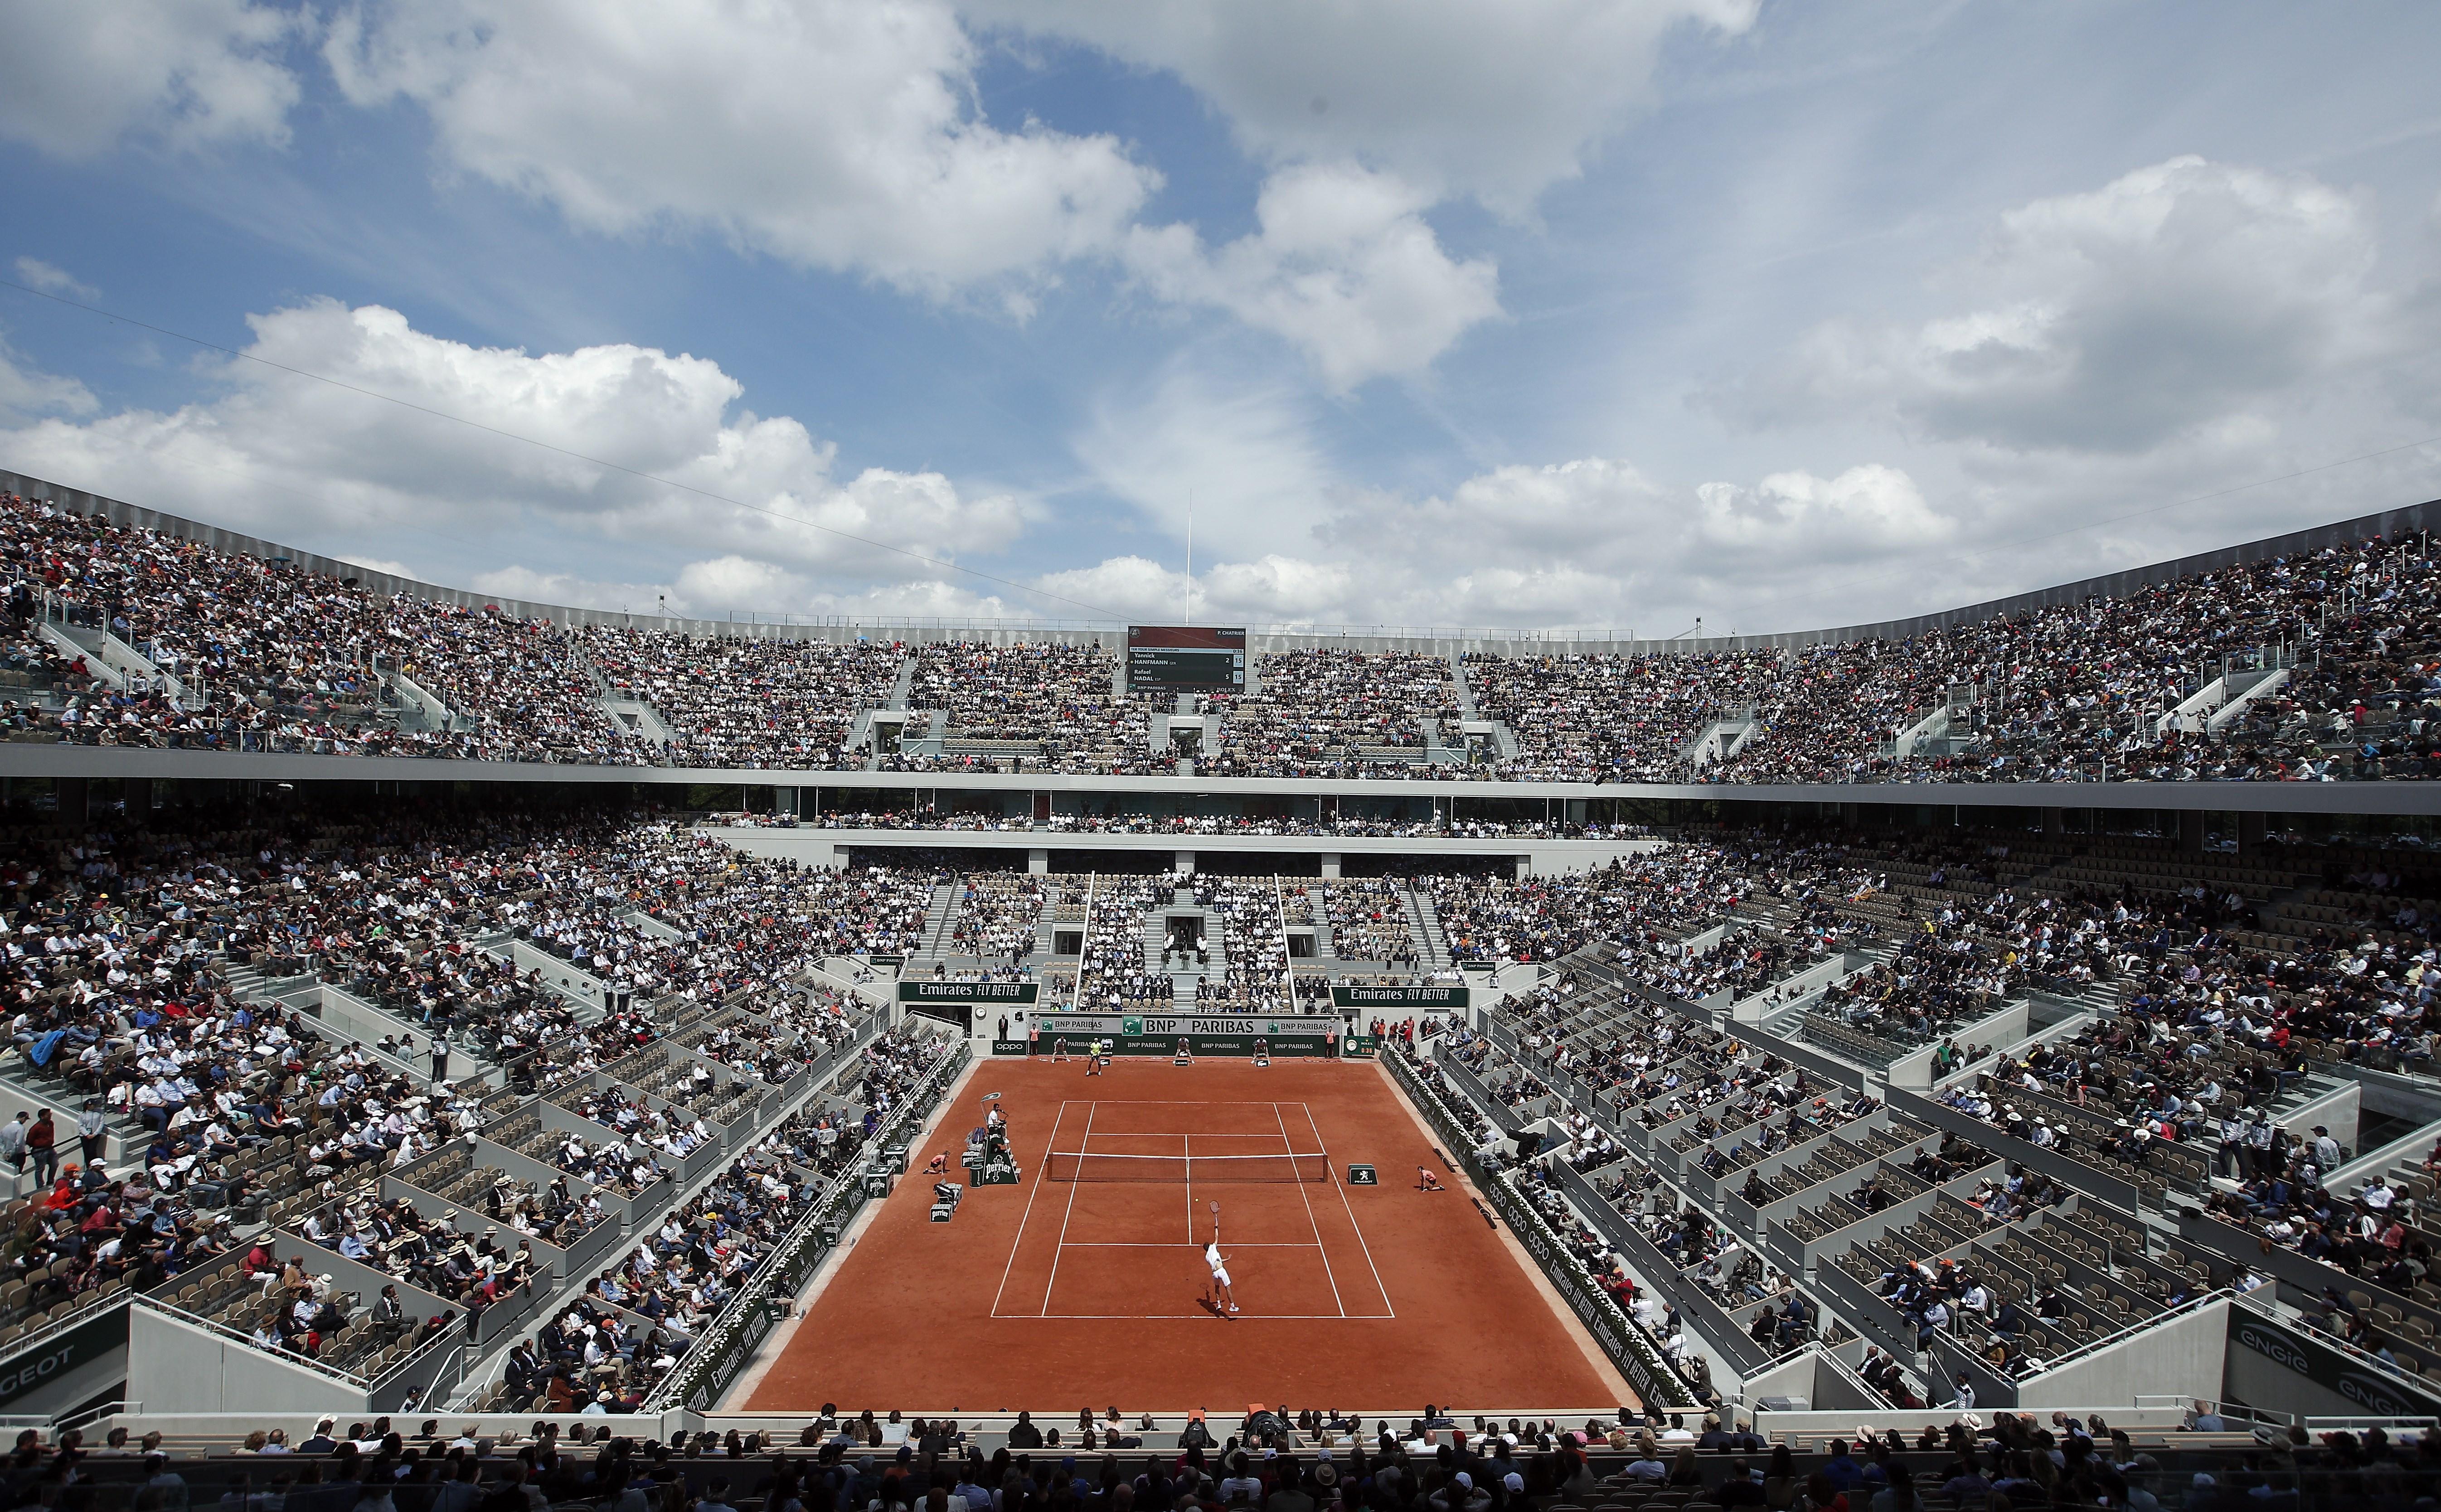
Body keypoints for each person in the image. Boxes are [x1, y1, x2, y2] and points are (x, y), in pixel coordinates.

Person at [1206, 1236, 1238, 1314]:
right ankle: (1233, 1306)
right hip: (1221, 1271)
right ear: (1210, 1246)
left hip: (1215, 1274)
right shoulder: (1213, 1248)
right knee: (1228, 1288)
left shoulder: (1207, 1257)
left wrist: (1227, 1259)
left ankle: (1219, 1304)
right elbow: (1216, 1237)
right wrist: (1216, 1227)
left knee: (1217, 1288)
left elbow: (1218, 1261)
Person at [26, 1110, 56, 1186]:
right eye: (48, 1115)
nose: (50, 1116)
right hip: (40, 1150)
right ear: (42, 1117)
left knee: (55, 1164)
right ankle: (40, 1185)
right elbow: (30, 1140)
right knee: (40, 1168)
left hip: (50, 1148)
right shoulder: (36, 1128)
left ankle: (50, 1181)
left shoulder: (51, 1124)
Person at [75, 1101, 107, 1168]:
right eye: (92, 1105)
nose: (93, 1106)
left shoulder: (100, 1112)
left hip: (95, 1134)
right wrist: (87, 1134)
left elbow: (101, 1123)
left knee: (92, 1150)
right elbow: (80, 1126)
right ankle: (88, 1166)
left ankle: (95, 1165)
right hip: (85, 1135)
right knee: (87, 1152)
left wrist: (95, 1134)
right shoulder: (82, 1114)